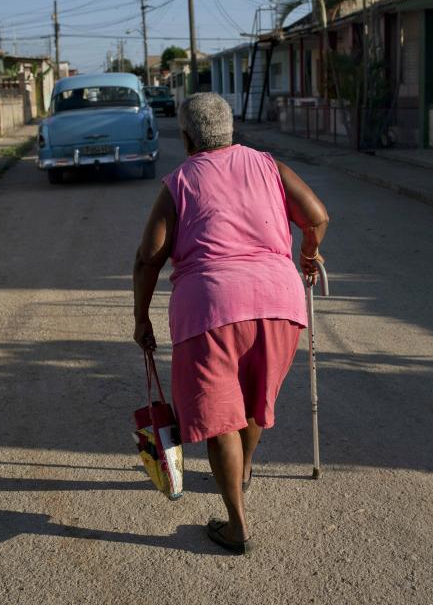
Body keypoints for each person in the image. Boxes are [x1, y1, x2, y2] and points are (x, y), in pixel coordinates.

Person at [132, 92, 329, 555]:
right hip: (279, 302)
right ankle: (242, 470)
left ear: (185, 137)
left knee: (221, 419)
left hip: (210, 306)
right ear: (230, 127)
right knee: (253, 399)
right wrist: (307, 254)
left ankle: (236, 524)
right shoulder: (267, 164)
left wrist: (141, 318)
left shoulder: (180, 180)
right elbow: (317, 216)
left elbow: (148, 258)